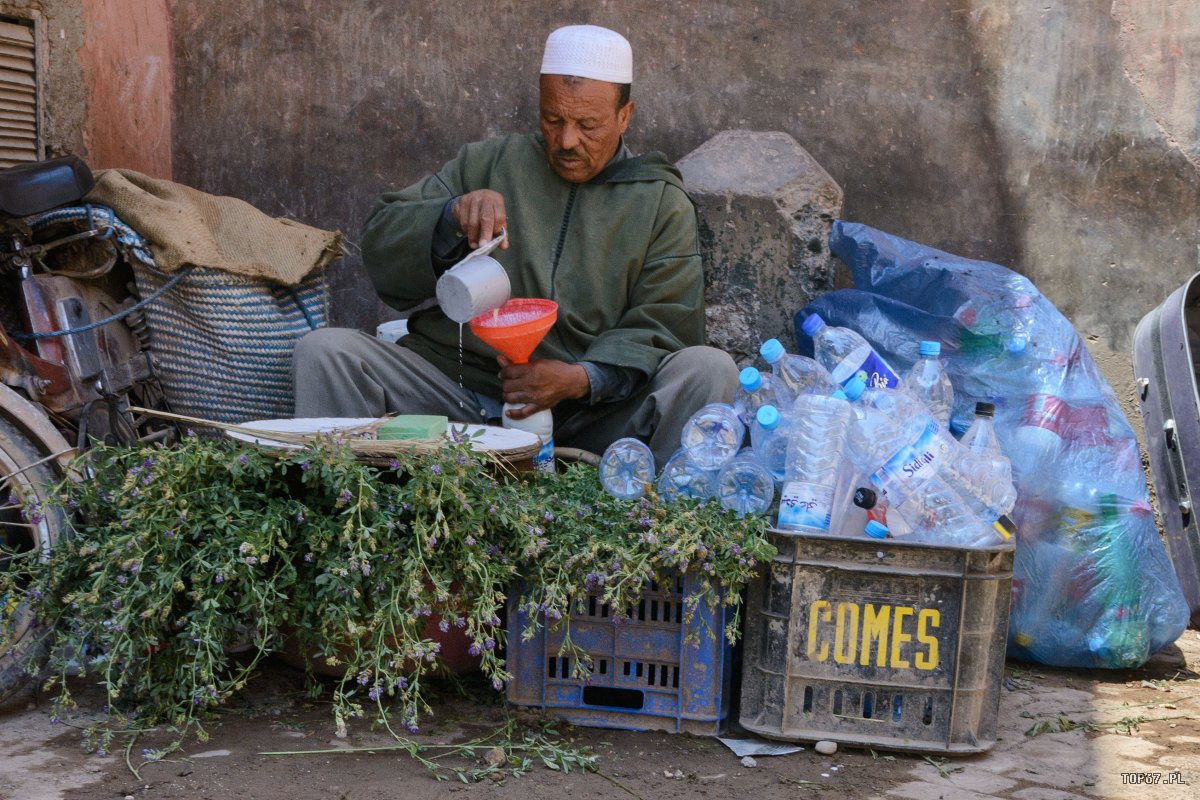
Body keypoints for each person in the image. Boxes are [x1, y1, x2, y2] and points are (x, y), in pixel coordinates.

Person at [293, 24, 737, 466]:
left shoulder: (660, 201)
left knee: (707, 370)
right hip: (460, 393)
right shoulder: (488, 163)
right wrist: (449, 216)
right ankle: (352, 516)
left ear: (625, 116)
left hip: (589, 414)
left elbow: (666, 320)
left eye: (588, 125)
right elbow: (382, 238)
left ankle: (646, 520)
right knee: (328, 352)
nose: (566, 141)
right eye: (553, 119)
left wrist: (582, 378)